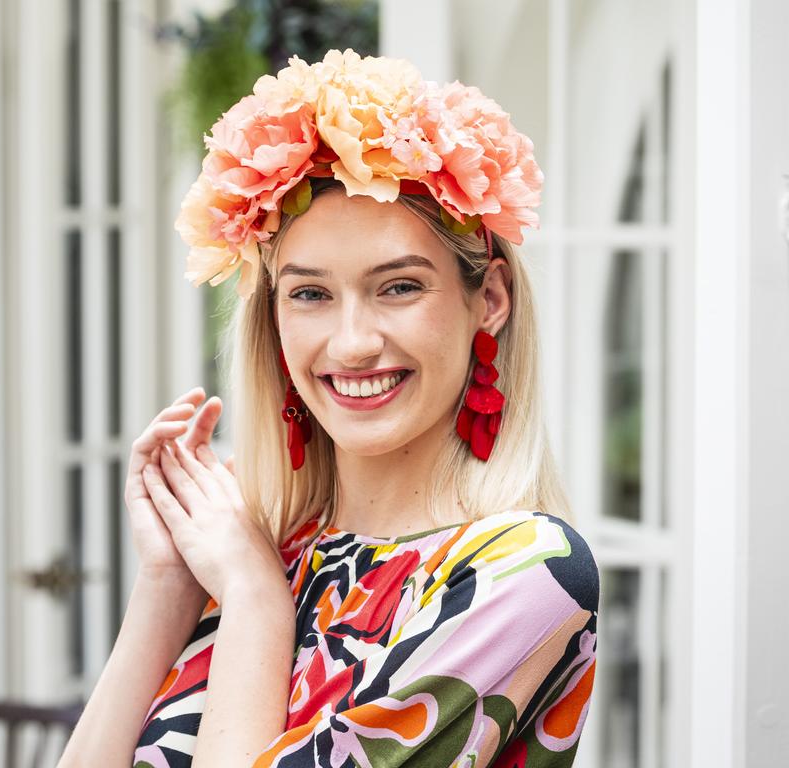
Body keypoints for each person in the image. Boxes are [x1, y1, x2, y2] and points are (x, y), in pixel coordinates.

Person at [58, 49, 599, 768]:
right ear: (273, 319)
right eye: (310, 294)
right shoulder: (263, 547)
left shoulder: (524, 574)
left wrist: (254, 600)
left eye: (399, 287)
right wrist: (167, 588)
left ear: (489, 299)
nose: (352, 343)